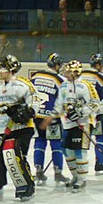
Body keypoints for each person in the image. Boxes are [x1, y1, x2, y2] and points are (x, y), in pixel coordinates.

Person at [0, 55, 36, 201]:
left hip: (20, 128)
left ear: (11, 69)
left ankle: (25, 185)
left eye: (3, 69)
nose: (0, 72)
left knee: (12, 154)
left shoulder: (23, 85)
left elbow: (34, 103)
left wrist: (28, 111)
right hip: (1, 128)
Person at [41, 60, 100, 192]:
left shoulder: (85, 85)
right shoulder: (63, 86)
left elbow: (95, 103)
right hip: (67, 124)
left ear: (75, 72)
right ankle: (75, 176)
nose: (65, 73)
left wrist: (80, 112)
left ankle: (81, 179)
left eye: (68, 71)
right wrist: (51, 116)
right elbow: (59, 104)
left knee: (80, 152)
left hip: (83, 124)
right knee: (67, 151)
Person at [31, 53, 69, 185]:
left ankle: (38, 172)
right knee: (56, 145)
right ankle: (58, 173)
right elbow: (61, 101)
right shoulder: (61, 80)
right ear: (57, 65)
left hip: (36, 116)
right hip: (50, 117)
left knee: (39, 143)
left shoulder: (36, 76)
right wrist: (52, 115)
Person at [81, 54, 103, 174]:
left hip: (82, 114)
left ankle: (81, 167)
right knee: (101, 138)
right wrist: (99, 110)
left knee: (82, 139)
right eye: (102, 64)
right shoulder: (101, 76)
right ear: (98, 65)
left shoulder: (81, 74)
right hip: (96, 113)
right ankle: (99, 163)